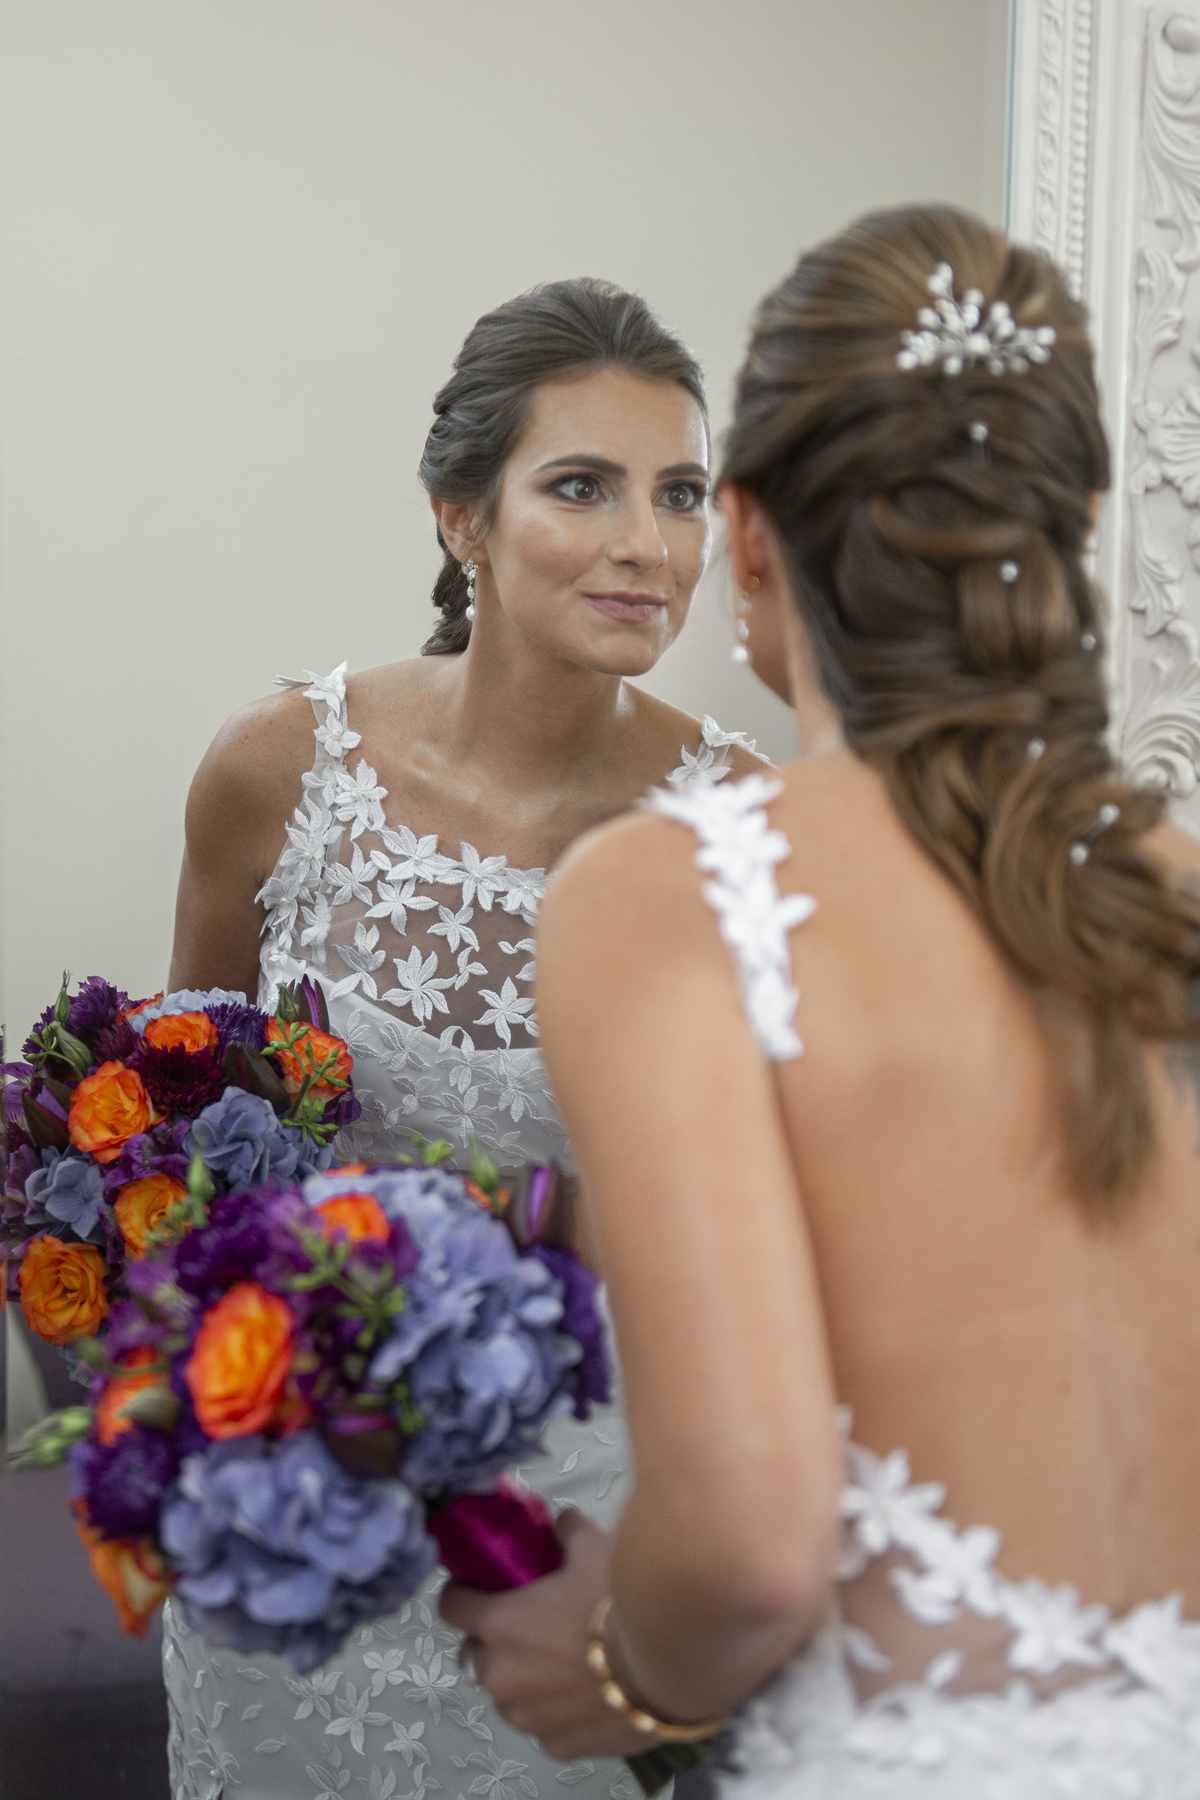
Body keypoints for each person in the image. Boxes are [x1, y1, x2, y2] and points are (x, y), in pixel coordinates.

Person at [443, 208, 1200, 1795]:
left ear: (753, 530)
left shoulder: (677, 895)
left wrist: (610, 1662)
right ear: (1069, 530)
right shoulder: (1176, 886)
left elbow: (747, 1546)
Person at [160, 275, 764, 1800]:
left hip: (568, 1546)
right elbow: (181, 1164)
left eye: (680, 493)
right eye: (583, 486)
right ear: (459, 516)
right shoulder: (278, 770)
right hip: (294, 1502)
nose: (647, 542)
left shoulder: (745, 833)